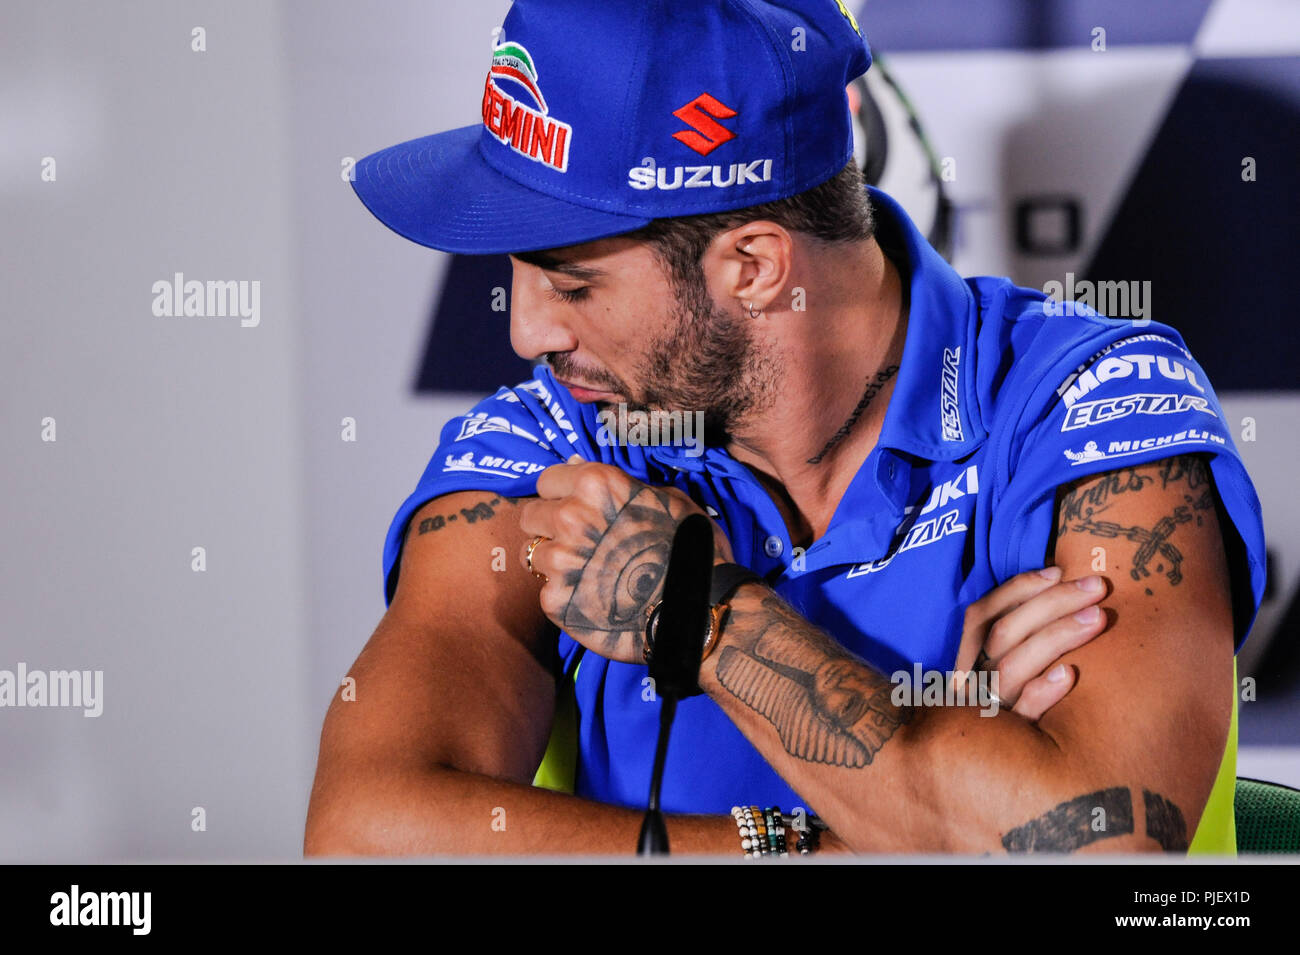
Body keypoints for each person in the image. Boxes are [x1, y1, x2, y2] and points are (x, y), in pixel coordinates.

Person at [305, 0, 1266, 856]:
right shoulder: (553, 442)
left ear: (756, 267)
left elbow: (1109, 854)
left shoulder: (1088, 399)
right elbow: (363, 835)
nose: (527, 331)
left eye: (571, 282)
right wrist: (890, 825)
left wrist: (706, 616)